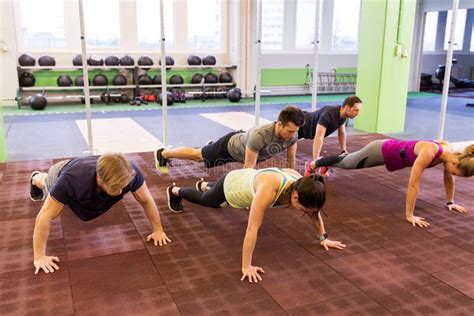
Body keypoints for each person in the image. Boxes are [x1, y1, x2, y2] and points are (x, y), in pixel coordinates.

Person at [165, 167, 346, 283]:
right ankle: (175, 191)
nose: (307, 212)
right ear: (295, 197)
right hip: (233, 185)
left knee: (212, 194)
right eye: (305, 209)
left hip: (248, 176)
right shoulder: (269, 190)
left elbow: (314, 212)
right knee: (209, 202)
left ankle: (205, 185)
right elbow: (252, 228)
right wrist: (246, 266)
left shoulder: (302, 183)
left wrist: (324, 238)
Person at [30, 153, 171, 275]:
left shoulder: (130, 172)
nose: (121, 192)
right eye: (116, 187)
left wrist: (158, 230)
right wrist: (39, 256)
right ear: (99, 178)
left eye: (123, 186)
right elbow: (44, 216)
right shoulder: (71, 180)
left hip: (84, 169)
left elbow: (146, 200)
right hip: (60, 172)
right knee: (47, 184)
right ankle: (36, 177)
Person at [307, 140, 474, 227]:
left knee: (348, 161)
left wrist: (451, 202)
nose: (453, 175)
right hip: (381, 151)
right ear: (455, 163)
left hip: (391, 153)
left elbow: (448, 177)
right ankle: (316, 163)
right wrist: (409, 215)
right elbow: (413, 184)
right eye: (456, 173)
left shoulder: (450, 155)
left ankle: (324, 163)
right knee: (348, 163)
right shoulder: (430, 153)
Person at [154, 105, 306, 174]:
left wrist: (293, 180)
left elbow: (291, 160)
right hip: (229, 148)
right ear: (279, 124)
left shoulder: (293, 136)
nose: (292, 135)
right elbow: (248, 169)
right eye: (290, 130)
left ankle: (212, 145)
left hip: (242, 144)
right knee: (198, 156)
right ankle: (164, 154)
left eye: (295, 131)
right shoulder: (260, 136)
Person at [299, 96, 362, 176]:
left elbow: (342, 132)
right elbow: (319, 137)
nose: (358, 113)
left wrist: (344, 151)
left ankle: (321, 164)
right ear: (347, 108)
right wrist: (316, 162)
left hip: (308, 130)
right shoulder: (328, 115)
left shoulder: (343, 115)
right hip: (300, 125)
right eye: (356, 110)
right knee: (284, 143)